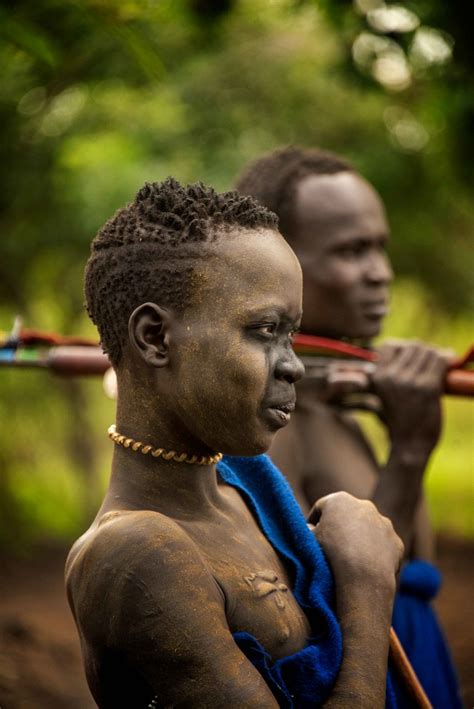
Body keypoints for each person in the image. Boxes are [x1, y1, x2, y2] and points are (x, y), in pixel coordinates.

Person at [66, 178, 404, 708]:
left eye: (292, 333)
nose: (291, 364)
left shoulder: (247, 498)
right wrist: (368, 589)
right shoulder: (135, 552)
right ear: (155, 337)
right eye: (264, 331)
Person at [236, 146, 462, 708]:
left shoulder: (340, 403)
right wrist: (408, 451)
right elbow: (312, 623)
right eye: (352, 251)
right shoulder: (265, 427)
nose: (380, 274)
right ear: (280, 265)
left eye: (380, 247)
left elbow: (409, 566)